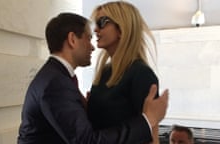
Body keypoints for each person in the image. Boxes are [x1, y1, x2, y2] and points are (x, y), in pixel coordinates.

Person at [17, 12, 169, 144]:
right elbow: (87, 141)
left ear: (122, 29)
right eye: (88, 38)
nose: (92, 46)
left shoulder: (56, 77)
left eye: (102, 23)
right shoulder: (57, 83)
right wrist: (147, 120)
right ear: (72, 39)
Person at [87, 1, 161, 144]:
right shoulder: (104, 72)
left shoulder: (141, 74)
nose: (96, 29)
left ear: (122, 29)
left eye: (102, 22)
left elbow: (151, 134)